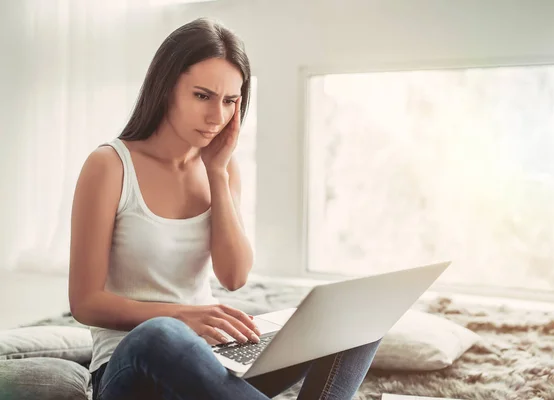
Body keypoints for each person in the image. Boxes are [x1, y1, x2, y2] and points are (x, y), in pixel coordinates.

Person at [68, 18, 381, 400]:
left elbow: (233, 276)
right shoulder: (110, 165)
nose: (217, 116)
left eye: (230, 101)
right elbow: (85, 303)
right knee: (161, 334)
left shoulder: (224, 167)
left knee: (356, 318)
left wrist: (216, 172)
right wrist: (180, 316)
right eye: (202, 96)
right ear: (166, 89)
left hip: (209, 361)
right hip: (132, 365)